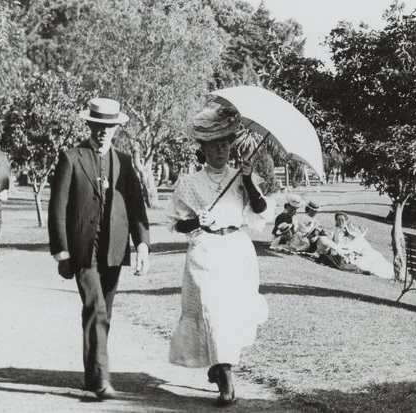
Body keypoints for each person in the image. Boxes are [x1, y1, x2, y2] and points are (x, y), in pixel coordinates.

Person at [168, 105, 272, 407]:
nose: (221, 151)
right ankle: (226, 377)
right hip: (204, 252)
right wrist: (197, 221)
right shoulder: (190, 183)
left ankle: (218, 366)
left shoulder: (241, 176)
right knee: (211, 308)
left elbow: (260, 210)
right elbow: (179, 224)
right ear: (203, 149)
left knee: (230, 313)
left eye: (225, 144)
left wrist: (250, 180)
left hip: (236, 251)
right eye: (214, 146)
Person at [48, 98, 151, 401]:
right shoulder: (71, 158)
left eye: (110, 126)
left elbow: (136, 207)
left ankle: (92, 373)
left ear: (117, 128)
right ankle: (102, 378)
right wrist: (61, 251)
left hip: (114, 249)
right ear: (90, 125)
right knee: (96, 307)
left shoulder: (125, 161)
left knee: (103, 313)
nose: (104, 131)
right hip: (82, 250)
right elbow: (58, 208)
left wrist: (143, 244)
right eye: (99, 126)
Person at [330, 212, 392, 279]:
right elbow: (337, 243)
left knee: (373, 255)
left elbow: (356, 237)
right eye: (338, 220)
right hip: (347, 249)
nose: (341, 222)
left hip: (355, 248)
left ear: (345, 221)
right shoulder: (336, 231)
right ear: (336, 221)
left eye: (342, 220)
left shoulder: (349, 229)